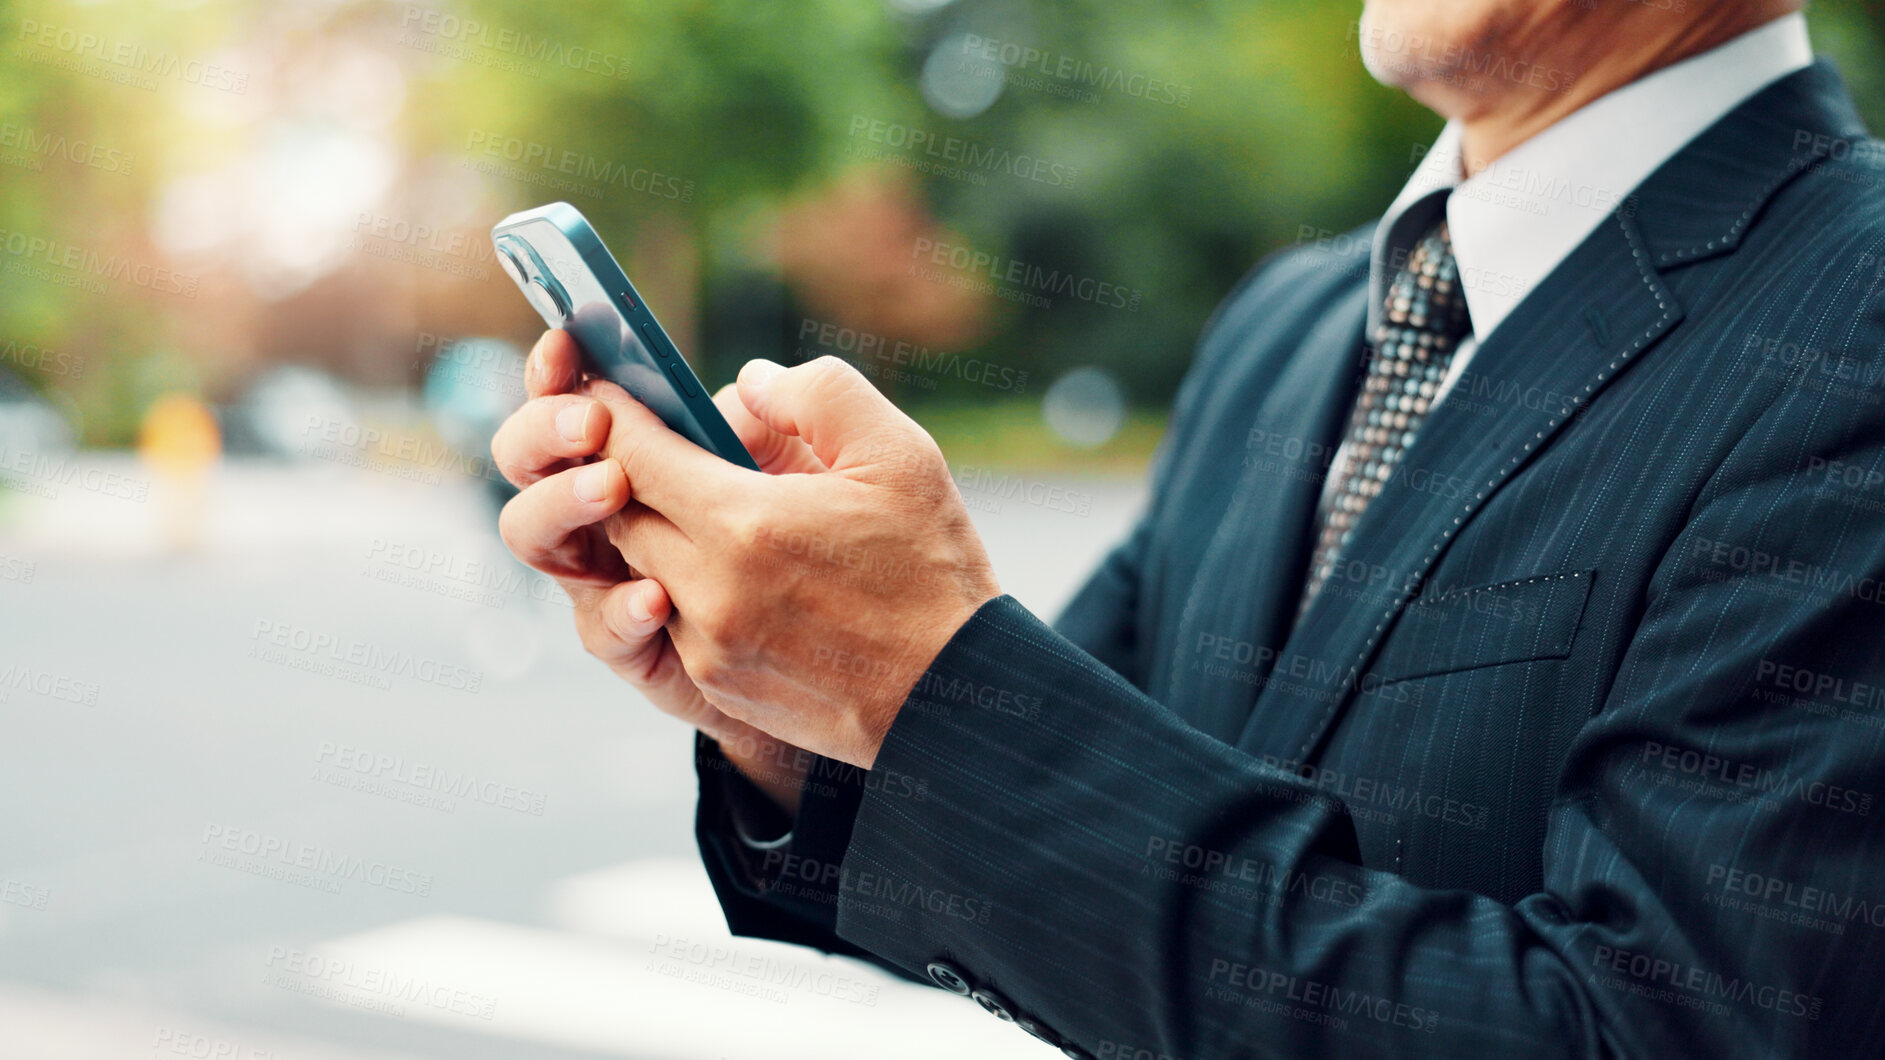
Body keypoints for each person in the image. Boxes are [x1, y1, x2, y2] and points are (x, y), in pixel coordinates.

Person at [490, 1, 1885, 1054]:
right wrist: (795, 700)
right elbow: (1072, 811)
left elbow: (1647, 1027)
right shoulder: (1289, 325)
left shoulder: (1854, 312)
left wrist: (922, 682)